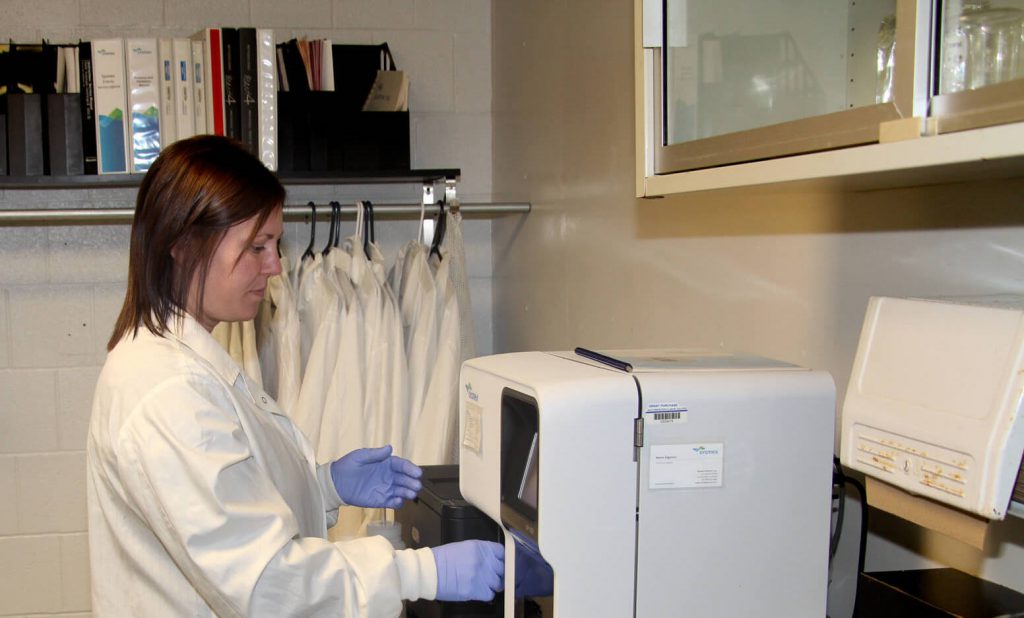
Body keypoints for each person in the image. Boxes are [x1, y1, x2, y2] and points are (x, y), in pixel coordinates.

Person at [86, 135, 504, 617]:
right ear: (183, 246)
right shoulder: (168, 393)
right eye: (256, 246)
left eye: (276, 244)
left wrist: (323, 485)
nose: (276, 265)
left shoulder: (186, 363)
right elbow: (265, 582)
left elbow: (233, 510)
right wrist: (423, 572)